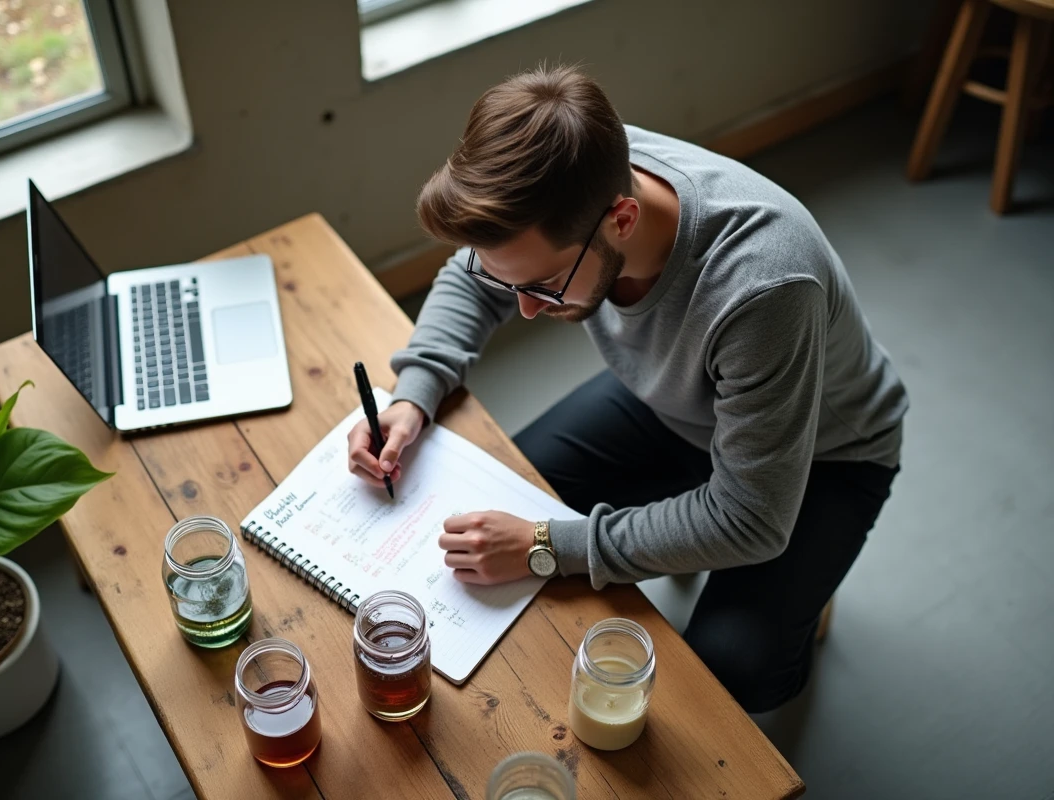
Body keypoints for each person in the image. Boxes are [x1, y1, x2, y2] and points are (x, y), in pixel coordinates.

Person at [346, 65, 908, 713]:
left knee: (733, 670)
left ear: (622, 218)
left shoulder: (765, 287)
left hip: (825, 455)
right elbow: (479, 277)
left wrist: (545, 547)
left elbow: (751, 518)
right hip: (675, 402)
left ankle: (800, 616)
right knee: (507, 486)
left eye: (546, 286)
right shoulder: (576, 170)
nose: (525, 310)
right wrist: (413, 396)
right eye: (515, 285)